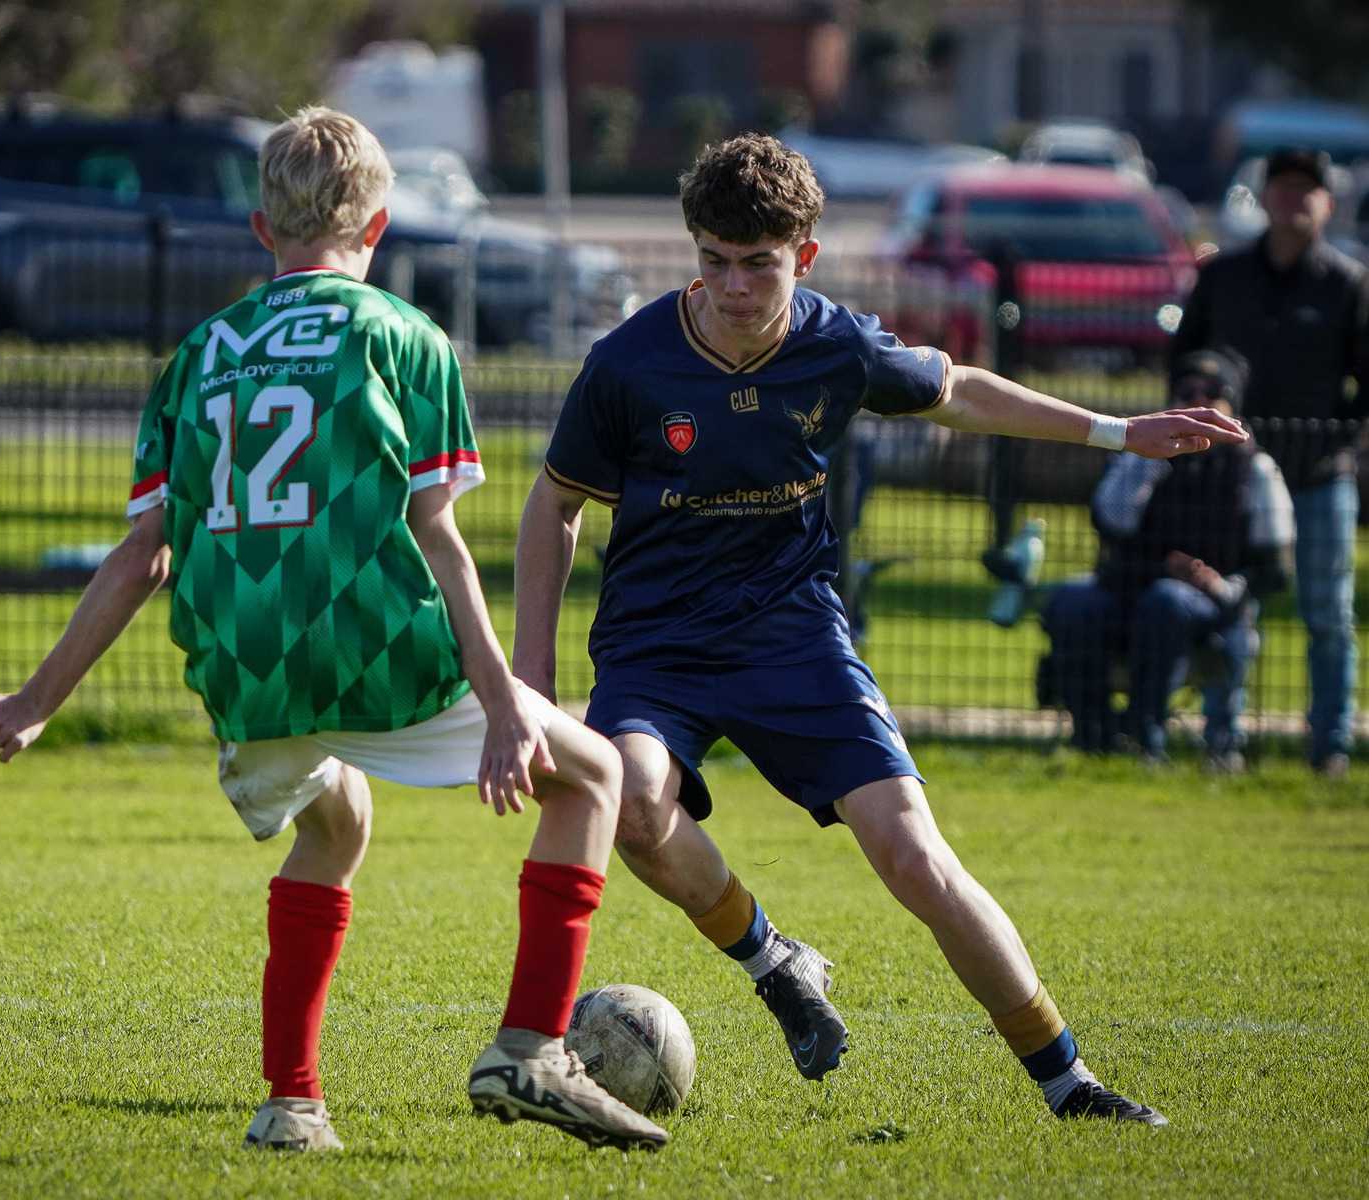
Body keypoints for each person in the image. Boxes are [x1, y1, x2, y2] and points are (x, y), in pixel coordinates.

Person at [0, 107, 665, 1154]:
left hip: (245, 670)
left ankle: (291, 1103)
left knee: (336, 826)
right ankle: (530, 1051)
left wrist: (35, 701)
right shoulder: (401, 336)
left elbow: (145, 554)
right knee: (593, 776)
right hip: (376, 652)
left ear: (258, 229)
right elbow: (442, 543)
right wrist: (511, 705)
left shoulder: (198, 355)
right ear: (377, 229)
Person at [514, 133, 1246, 1125]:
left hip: (795, 638)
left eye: (758, 264)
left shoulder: (838, 343)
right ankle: (775, 962)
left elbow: (960, 394)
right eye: (715, 262)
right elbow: (553, 505)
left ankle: (1069, 1082)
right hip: (657, 650)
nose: (734, 286)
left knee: (915, 858)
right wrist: (529, 683)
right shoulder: (629, 364)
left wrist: (1119, 431)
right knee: (634, 807)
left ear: (802, 256)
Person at [1171, 146, 1369, 778]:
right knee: (1232, 608)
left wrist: (1338, 439)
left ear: (1327, 202)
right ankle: (1221, 740)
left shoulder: (1346, 283)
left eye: (1305, 188)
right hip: (1234, 477)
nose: (1292, 198)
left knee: (1328, 616)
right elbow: (1185, 360)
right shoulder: (1224, 276)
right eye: (1280, 186)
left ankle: (1330, 745)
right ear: (1263, 197)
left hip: (1318, 477)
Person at [1042, 350, 1294, 768]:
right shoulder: (1146, 456)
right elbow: (1111, 520)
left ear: (1234, 404)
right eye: (1188, 392)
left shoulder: (1257, 470)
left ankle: (1146, 738)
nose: (1200, 402)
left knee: (1167, 601)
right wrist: (1150, 461)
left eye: (1214, 393)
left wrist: (1216, 584)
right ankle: (1095, 740)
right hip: (1129, 593)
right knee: (1072, 604)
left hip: (1210, 607)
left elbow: (1276, 569)